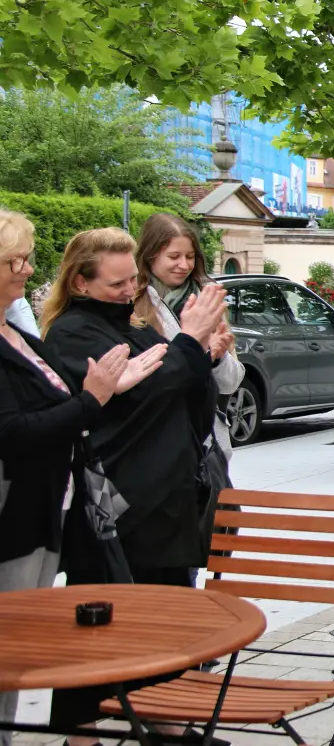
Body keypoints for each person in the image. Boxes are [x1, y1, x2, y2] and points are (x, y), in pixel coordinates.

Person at [41, 228, 225, 738]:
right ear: (81, 282)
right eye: (118, 283)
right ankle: (83, 728)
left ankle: (161, 720)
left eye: (132, 281)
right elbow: (147, 396)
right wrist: (187, 344)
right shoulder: (74, 334)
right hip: (116, 508)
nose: (129, 292)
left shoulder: (133, 326)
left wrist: (199, 352)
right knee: (103, 624)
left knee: (162, 618)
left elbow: (182, 385)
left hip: (164, 499)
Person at [0, 211, 161, 746]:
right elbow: (16, 432)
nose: (25, 270)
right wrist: (95, 398)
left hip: (45, 510)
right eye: (13, 261)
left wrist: (102, 393)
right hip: (15, 516)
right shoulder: (54, 331)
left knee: (17, 651)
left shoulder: (14, 331)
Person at [133, 213, 244, 456]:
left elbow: (230, 383)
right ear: (150, 255)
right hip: (156, 440)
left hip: (207, 444)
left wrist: (217, 357)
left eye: (190, 257)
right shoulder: (133, 301)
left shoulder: (208, 298)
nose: (184, 265)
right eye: (174, 257)